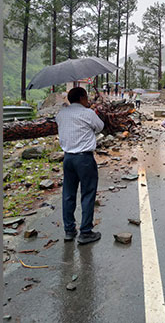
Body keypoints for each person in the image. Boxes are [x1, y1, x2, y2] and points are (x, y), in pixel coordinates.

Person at [55, 87, 105, 245]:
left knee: (68, 194)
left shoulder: (61, 113)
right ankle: (85, 232)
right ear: (82, 98)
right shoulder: (87, 113)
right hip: (84, 159)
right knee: (88, 193)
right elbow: (100, 127)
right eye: (86, 97)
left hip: (68, 158)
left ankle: (69, 231)